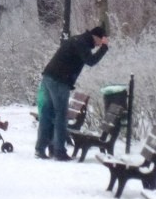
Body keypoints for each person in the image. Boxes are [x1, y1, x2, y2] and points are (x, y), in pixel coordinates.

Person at [35, 26, 109, 161]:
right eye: (100, 40)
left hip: (48, 77)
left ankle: (40, 149)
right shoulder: (82, 43)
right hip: (59, 81)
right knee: (60, 116)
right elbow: (91, 61)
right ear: (96, 37)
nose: (99, 44)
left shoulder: (77, 40)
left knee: (46, 115)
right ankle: (59, 151)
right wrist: (104, 48)